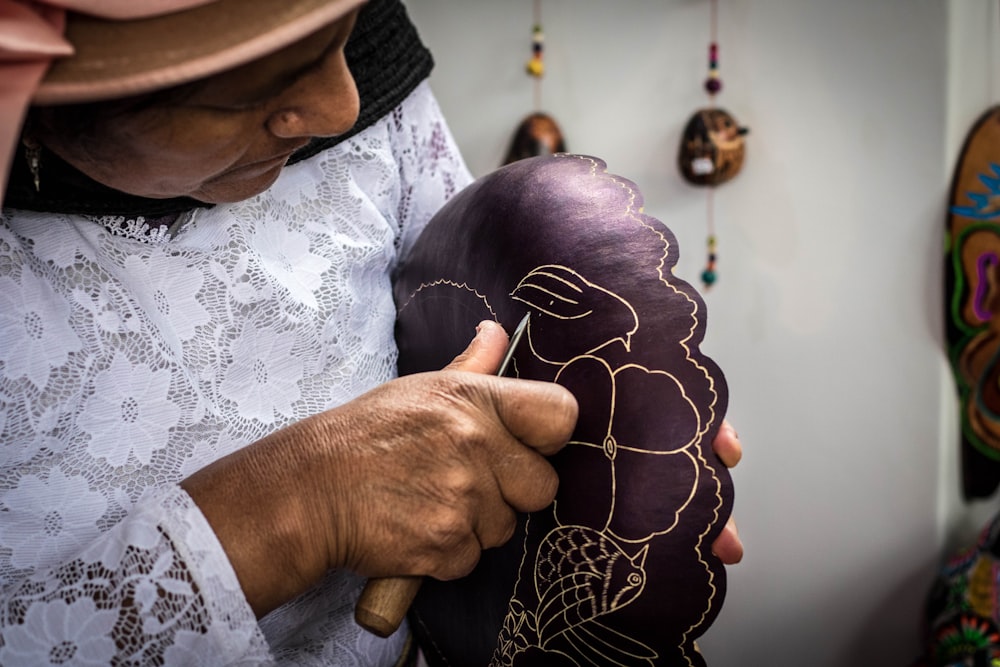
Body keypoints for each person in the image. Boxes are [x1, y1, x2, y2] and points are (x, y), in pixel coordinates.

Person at [0, 0, 744, 664]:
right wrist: (300, 508)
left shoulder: (362, 92)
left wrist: (619, 446)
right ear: (48, 102)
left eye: (344, 35)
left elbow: (462, 313)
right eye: (246, 92)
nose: (340, 104)